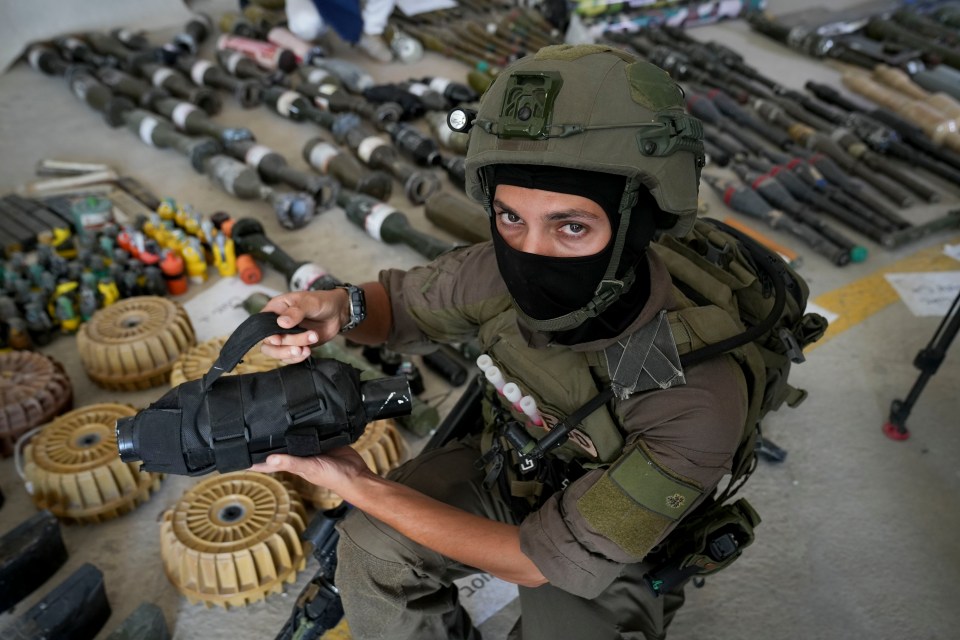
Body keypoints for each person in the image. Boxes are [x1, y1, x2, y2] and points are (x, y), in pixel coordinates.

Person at [251, 44, 747, 640]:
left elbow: (540, 562)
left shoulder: (695, 396)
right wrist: (340, 307)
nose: (529, 255)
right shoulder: (491, 272)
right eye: (511, 218)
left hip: (608, 545)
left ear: (637, 225)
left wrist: (360, 485)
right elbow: (402, 305)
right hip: (508, 465)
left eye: (571, 226)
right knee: (371, 545)